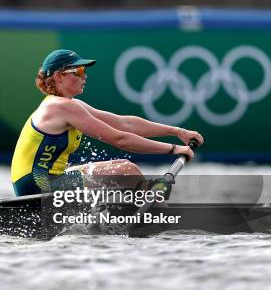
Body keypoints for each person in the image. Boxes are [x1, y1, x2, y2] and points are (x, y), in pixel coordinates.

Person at [10, 49, 204, 196]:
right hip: (36, 185)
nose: (84, 75)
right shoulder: (61, 107)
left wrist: (178, 131)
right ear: (59, 76)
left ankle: (139, 212)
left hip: (44, 180)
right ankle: (157, 218)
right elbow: (120, 139)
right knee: (127, 171)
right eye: (78, 70)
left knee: (121, 165)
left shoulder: (69, 105)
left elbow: (124, 124)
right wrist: (174, 149)